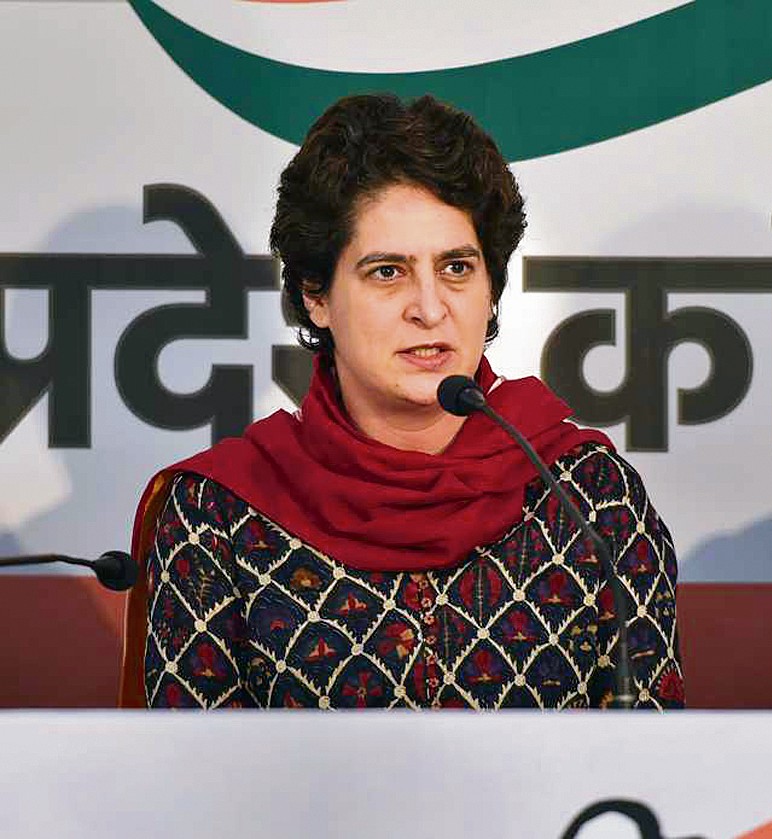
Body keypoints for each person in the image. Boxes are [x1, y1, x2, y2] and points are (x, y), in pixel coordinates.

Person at [120, 94, 684, 710]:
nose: (430, 308)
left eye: (457, 268)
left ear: (491, 288)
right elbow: (191, 765)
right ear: (316, 296)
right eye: (387, 271)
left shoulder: (590, 498)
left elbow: (651, 757)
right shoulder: (218, 514)